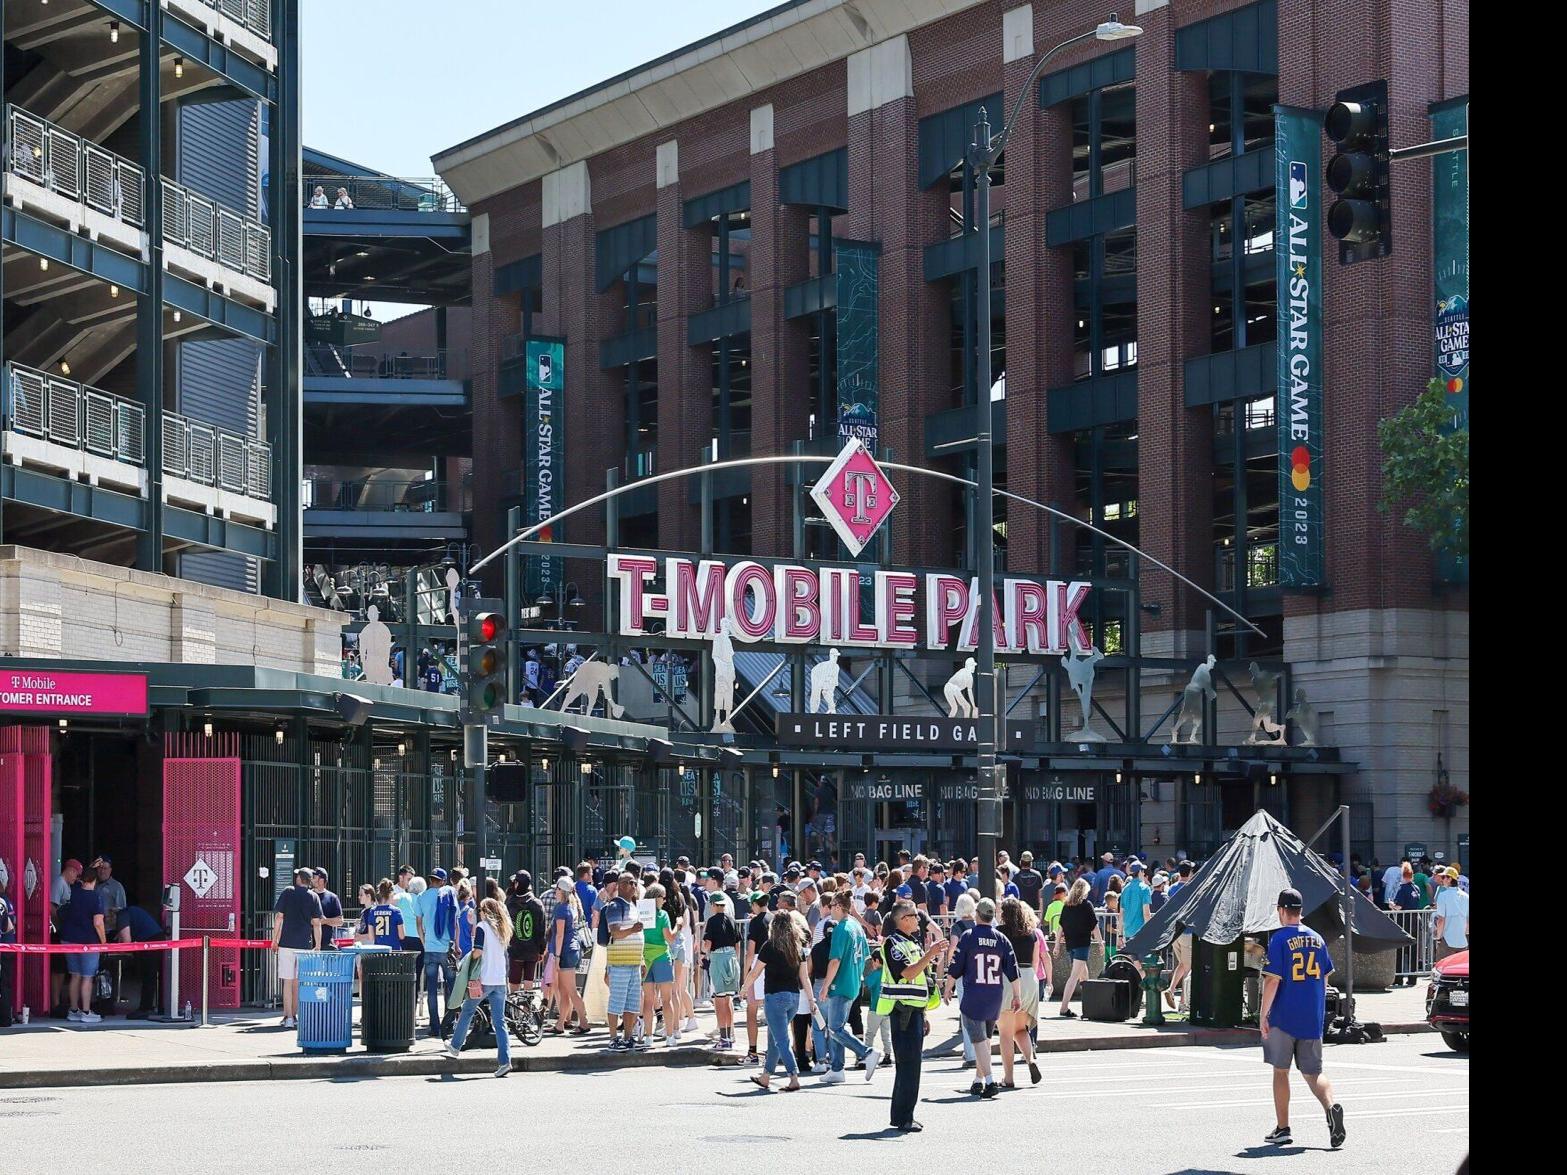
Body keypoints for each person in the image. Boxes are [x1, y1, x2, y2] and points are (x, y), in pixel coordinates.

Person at [1260, 888, 1346, 1149]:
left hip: (1284, 1015)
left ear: (1282, 911)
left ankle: (1283, 1128)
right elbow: (1325, 975)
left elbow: (1273, 980)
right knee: (1313, 1073)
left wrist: (1263, 1014)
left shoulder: (1278, 939)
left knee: (1281, 1071)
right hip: (1312, 1016)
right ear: (1300, 911)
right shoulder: (1317, 939)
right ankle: (1331, 1107)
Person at [877, 901, 946, 1132]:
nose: (919, 920)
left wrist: (924, 1013)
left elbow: (920, 979)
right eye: (915, 916)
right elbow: (907, 973)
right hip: (902, 1012)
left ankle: (902, 1115)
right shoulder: (893, 943)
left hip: (913, 1011)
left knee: (909, 1067)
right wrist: (930, 954)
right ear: (904, 919)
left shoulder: (911, 942)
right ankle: (905, 1117)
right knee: (909, 1067)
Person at [945, 897, 1020, 1098]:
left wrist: (948, 987)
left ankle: (989, 1080)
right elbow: (1013, 969)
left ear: (977, 914)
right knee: (985, 1039)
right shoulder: (1001, 939)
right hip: (994, 994)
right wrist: (1017, 995)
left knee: (978, 1040)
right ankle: (978, 1080)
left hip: (974, 994)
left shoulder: (968, 936)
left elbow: (956, 965)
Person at [742, 905, 816, 1092]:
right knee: (774, 1037)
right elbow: (804, 977)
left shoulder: (770, 946)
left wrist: (744, 988)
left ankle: (793, 1076)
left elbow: (756, 972)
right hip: (794, 997)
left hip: (775, 997)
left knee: (781, 1039)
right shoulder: (797, 947)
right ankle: (766, 1076)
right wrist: (811, 999)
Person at [444, 897, 514, 1077]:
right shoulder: (502, 929)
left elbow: (478, 952)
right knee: (500, 1022)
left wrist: (468, 959)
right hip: (499, 980)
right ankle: (505, 1061)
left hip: (484, 978)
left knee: (467, 1011)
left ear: (484, 912)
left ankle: (455, 1046)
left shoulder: (482, 927)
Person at [997, 896, 1044, 1084]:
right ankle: (1030, 1059)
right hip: (1028, 979)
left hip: (1008, 979)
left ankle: (1008, 1078)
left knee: (1006, 1033)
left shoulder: (999, 933)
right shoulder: (1031, 934)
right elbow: (1035, 962)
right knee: (1020, 1029)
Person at [270, 867, 323, 1029]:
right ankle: (295, 1015)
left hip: (286, 943)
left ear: (299, 879)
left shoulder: (288, 892)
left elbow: (279, 918)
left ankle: (288, 1017)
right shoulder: (313, 897)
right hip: (304, 945)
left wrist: (274, 939)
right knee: (298, 982)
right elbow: (317, 924)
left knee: (287, 981)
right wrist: (318, 945)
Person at [602, 871, 646, 1051]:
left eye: (635, 883)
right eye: (630, 883)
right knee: (616, 1002)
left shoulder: (634, 905)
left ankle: (628, 1038)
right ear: (620, 885)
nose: (634, 886)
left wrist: (642, 959)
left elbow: (639, 933)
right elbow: (615, 932)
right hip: (619, 962)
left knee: (632, 1003)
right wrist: (633, 930)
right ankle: (613, 1039)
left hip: (634, 962)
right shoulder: (615, 906)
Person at [417, 867, 458, 1037]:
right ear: (442, 881)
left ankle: (434, 1026)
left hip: (430, 949)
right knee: (451, 987)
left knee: (431, 990)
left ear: (430, 880)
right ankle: (449, 1024)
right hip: (446, 947)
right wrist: (456, 944)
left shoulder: (421, 897)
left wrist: (424, 942)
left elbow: (419, 924)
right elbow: (454, 922)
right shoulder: (448, 895)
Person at [547, 877, 588, 1035]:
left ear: (561, 891)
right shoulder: (571, 906)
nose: (554, 892)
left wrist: (556, 957)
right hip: (571, 950)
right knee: (566, 990)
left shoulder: (561, 908)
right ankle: (560, 1024)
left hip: (565, 951)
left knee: (570, 990)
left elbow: (559, 935)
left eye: (556, 889)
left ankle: (584, 1022)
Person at [702, 891, 741, 1050]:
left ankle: (724, 1038)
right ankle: (730, 1035)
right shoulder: (732, 920)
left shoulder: (711, 921)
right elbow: (738, 943)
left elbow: (708, 943)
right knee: (728, 999)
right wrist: (735, 959)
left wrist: (703, 954)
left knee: (719, 999)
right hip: (731, 958)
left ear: (713, 905)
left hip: (718, 958)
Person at [114, 905, 167, 1018]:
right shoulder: (131, 912)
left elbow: (126, 941)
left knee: (148, 976)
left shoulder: (122, 916)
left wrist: (117, 950)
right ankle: (154, 1006)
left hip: (150, 941)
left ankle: (145, 1009)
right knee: (152, 975)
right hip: (155, 938)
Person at [1056, 877, 1098, 1017]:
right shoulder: (1086, 905)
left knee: (1083, 974)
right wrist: (1101, 942)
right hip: (1082, 944)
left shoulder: (1067, 905)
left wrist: (1056, 945)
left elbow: (1060, 927)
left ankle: (1089, 1004)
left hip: (1071, 944)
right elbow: (1094, 926)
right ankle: (1064, 1008)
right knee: (1074, 977)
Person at [506, 870, 547, 994]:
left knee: (514, 982)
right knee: (529, 980)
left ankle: (514, 1010)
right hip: (532, 949)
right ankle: (527, 1009)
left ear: (517, 884)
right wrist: (541, 950)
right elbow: (541, 929)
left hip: (515, 948)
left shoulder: (509, 903)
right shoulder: (537, 904)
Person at [742, 890, 770, 1063]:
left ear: (754, 904)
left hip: (758, 965)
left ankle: (752, 1052)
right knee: (772, 1011)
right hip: (774, 965)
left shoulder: (755, 923)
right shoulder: (775, 918)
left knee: (751, 1009)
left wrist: (746, 975)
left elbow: (750, 952)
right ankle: (774, 1050)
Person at [1432, 867, 1469, 963]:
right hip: (1462, 942)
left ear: (1449, 879)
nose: (1442, 879)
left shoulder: (1443, 896)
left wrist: (1439, 937)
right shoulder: (1466, 896)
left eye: (1444, 877)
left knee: (1443, 970)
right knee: (1460, 972)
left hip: (1447, 941)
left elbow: (1441, 919)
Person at [358, 880, 406, 949]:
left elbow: (371, 937)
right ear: (391, 893)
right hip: (393, 951)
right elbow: (402, 936)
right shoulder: (396, 911)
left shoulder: (372, 911)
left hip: (379, 951)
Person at [91, 857, 127, 939]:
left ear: (110, 870)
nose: (102, 871)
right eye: (100, 868)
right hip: (93, 930)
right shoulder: (91, 885)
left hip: (110, 931)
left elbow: (122, 911)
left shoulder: (117, 887)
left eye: (105, 868)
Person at [310, 868, 344, 949]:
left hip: (326, 944)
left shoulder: (332, 898)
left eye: (314, 877)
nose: (312, 880)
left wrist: (324, 921)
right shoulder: (308, 895)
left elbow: (340, 921)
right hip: (308, 944)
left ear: (321, 880)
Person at [1121, 860, 1152, 941]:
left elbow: (1121, 914)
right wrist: (1149, 931)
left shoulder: (1125, 889)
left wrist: (1120, 935)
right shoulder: (1145, 888)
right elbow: (1146, 914)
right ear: (1140, 872)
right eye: (1143, 871)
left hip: (1127, 932)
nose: (1144, 873)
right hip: (1141, 932)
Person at [0, 870, 15, 1027]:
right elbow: (10, 927)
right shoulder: (5, 901)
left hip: (4, 947)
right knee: (5, 984)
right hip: (8, 946)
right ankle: (4, 1018)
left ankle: (4, 1017)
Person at [1014, 851, 1045, 916]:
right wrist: (1040, 913)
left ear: (1021, 862)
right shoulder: (1038, 875)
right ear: (1031, 862)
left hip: (1021, 910)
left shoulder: (1016, 876)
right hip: (1034, 911)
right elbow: (1040, 897)